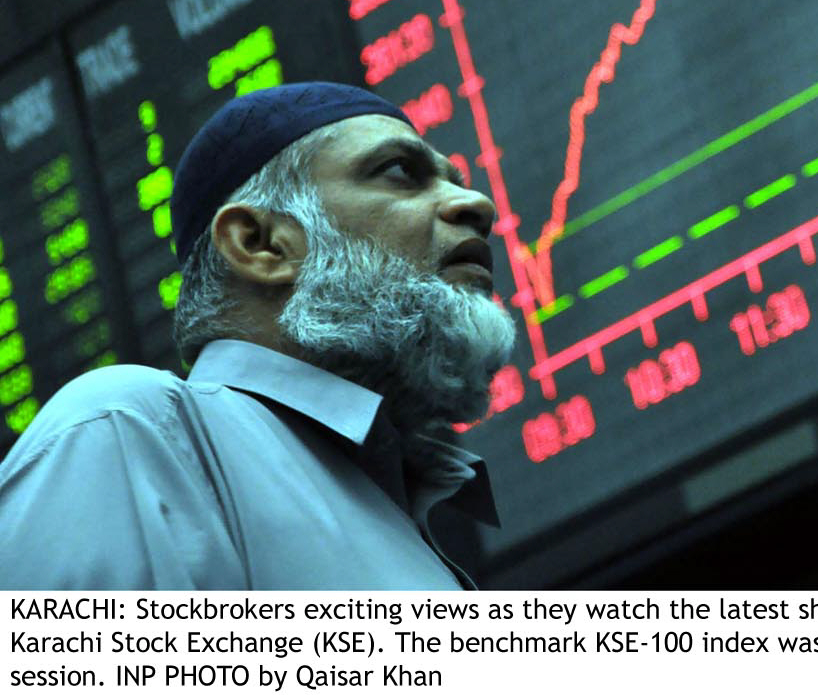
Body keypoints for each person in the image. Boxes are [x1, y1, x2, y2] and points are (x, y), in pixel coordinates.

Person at [0, 82, 517, 588]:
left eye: (454, 178)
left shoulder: (399, 503)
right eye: (401, 172)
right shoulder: (135, 427)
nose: (476, 203)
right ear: (260, 244)